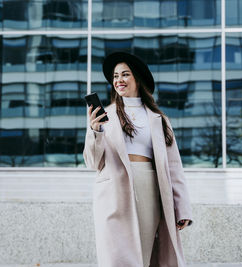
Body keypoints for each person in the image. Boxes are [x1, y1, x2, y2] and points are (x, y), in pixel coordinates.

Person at [83, 52, 193, 267]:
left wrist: (182, 208)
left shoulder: (158, 119)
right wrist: (95, 131)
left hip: (150, 188)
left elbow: (174, 167)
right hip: (114, 190)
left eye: (125, 74)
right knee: (116, 256)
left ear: (138, 78)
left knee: (143, 254)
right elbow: (92, 163)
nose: (119, 80)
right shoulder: (106, 115)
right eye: (115, 76)